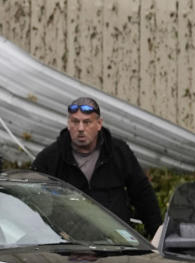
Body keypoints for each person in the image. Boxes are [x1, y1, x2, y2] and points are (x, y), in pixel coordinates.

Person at [31, 96, 162, 238]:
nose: (80, 128)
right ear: (69, 124)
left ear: (99, 124)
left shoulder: (118, 152)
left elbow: (143, 196)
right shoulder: (50, 157)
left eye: (87, 122)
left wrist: (157, 238)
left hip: (116, 245)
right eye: (75, 121)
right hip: (68, 246)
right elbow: (30, 200)